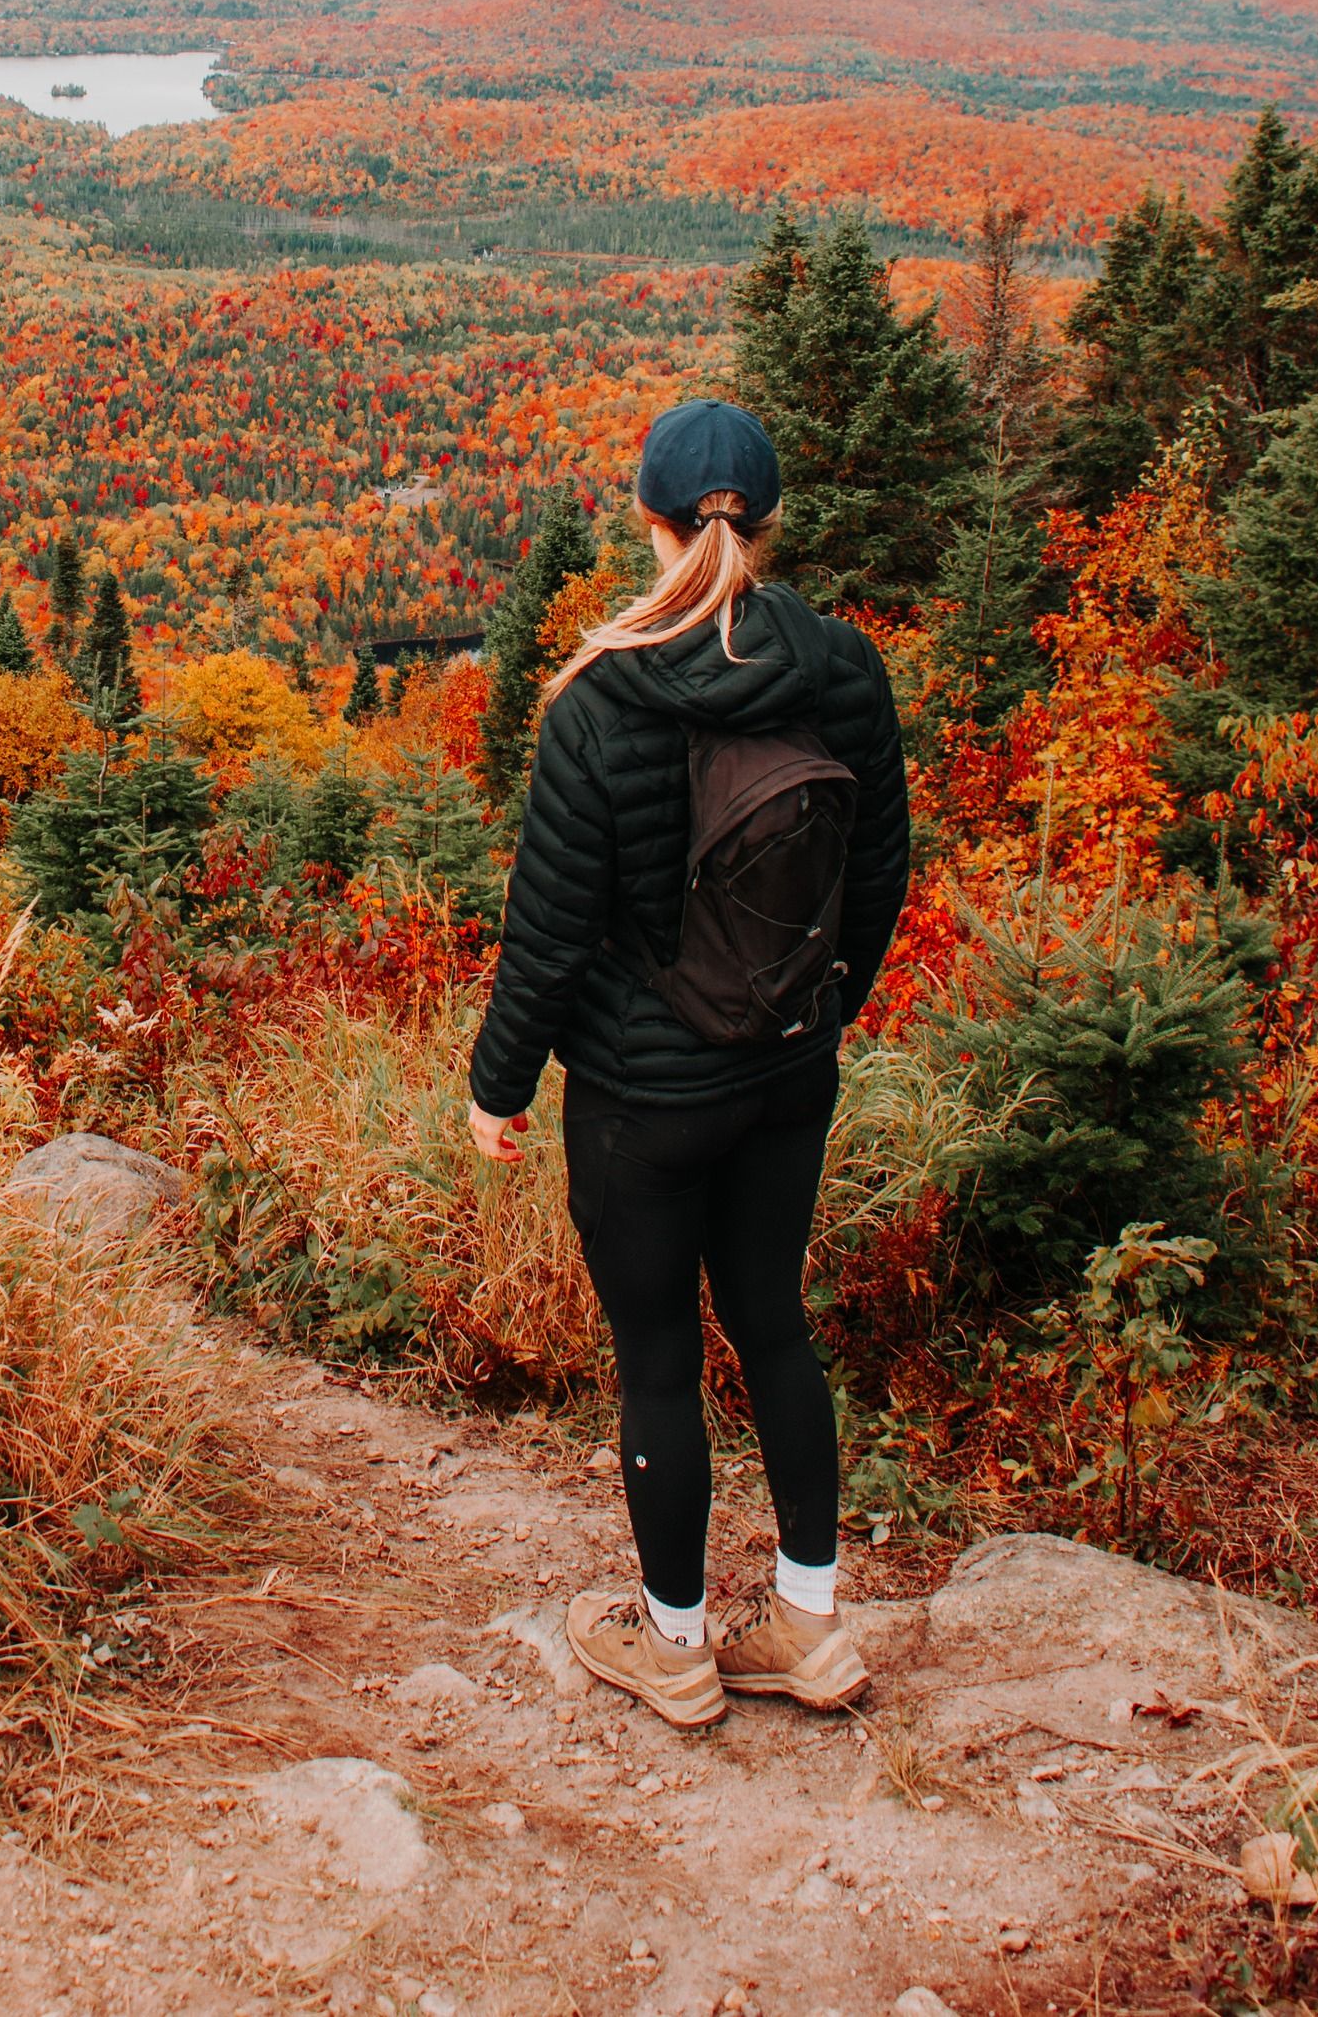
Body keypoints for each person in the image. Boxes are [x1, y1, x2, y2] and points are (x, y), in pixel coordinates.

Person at [467, 397, 910, 1728]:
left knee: (658, 1354)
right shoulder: (843, 669)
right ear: (764, 523)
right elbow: (878, 871)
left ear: (650, 521)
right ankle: (811, 1627)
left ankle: (674, 1648)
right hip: (785, 1072)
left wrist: (500, 1084)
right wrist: (827, 1006)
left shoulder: (601, 695)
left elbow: (548, 934)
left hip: (641, 1099)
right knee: (775, 1323)